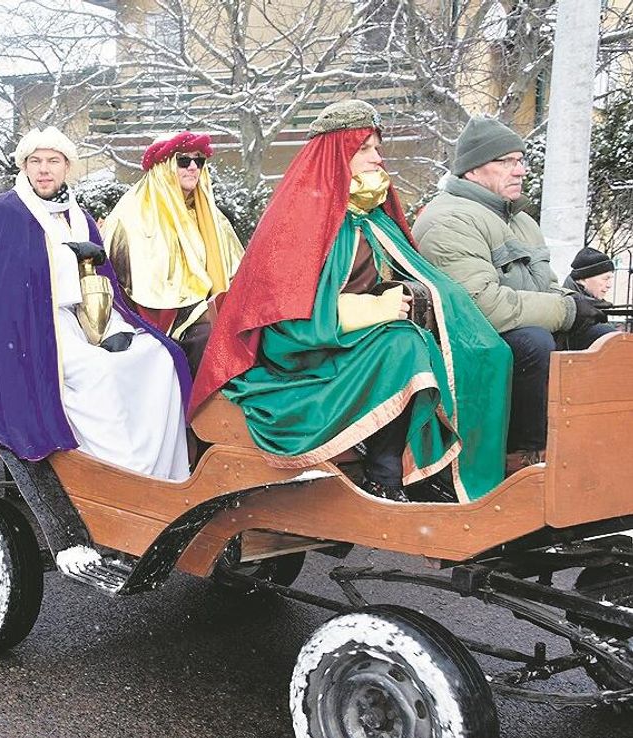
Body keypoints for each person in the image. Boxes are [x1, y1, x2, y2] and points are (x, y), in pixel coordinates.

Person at [191, 101, 512, 502]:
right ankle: (383, 476)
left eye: (378, 148)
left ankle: (434, 469)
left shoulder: (370, 215)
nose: (378, 158)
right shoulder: (298, 219)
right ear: (336, 155)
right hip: (300, 356)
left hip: (349, 343)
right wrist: (374, 310)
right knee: (402, 343)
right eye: (364, 149)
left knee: (466, 347)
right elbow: (285, 323)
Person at [0, 127, 191, 480]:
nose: (44, 169)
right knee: (99, 372)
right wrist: (61, 262)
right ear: (24, 166)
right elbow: (1, 287)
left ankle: (160, 472)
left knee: (160, 358)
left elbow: (103, 281)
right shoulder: (5, 211)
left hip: (86, 316)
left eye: (53, 161)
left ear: (66, 167)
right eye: (35, 161)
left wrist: (112, 325)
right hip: (32, 325)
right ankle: (115, 476)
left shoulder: (78, 215)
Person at [414, 116, 615, 468]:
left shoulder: (522, 221)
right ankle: (522, 457)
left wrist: (576, 304)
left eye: (520, 160)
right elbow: (481, 306)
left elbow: (545, 286)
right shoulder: (449, 220)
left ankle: (600, 443)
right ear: (473, 169)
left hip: (516, 330)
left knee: (604, 339)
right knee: (533, 342)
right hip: (465, 347)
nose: (520, 170)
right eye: (506, 161)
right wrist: (567, 311)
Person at [102, 131, 245, 373]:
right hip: (160, 317)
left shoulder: (213, 217)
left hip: (210, 307)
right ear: (163, 167)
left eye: (199, 161)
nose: (193, 167)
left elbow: (237, 273)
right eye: (183, 160)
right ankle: (207, 399)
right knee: (209, 338)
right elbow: (128, 288)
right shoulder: (133, 215)